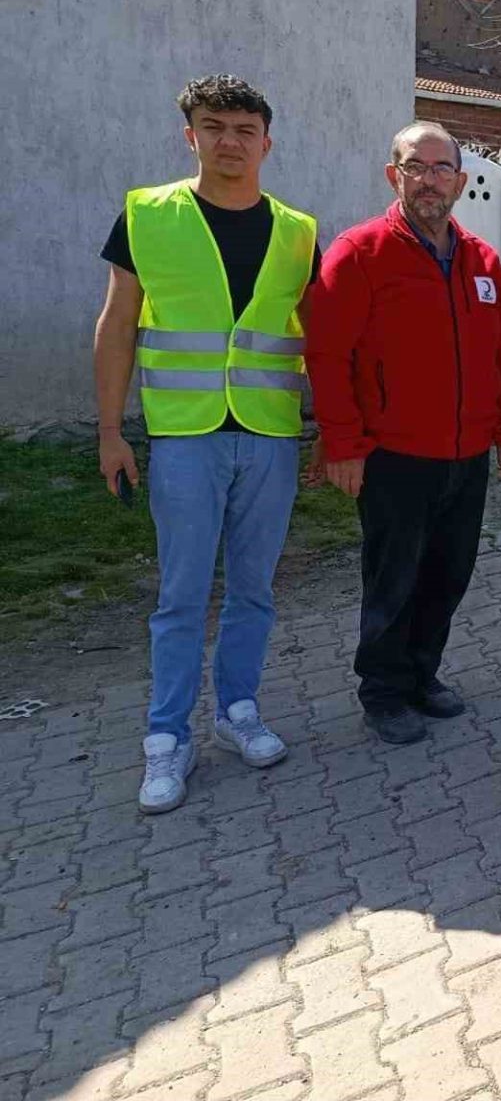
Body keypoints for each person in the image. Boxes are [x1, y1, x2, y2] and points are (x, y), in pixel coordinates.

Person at [94, 75, 318, 814]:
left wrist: (331, 430)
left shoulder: (297, 231)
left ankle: (237, 711)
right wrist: (110, 432)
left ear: (266, 143)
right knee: (182, 594)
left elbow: (315, 335)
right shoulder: (148, 216)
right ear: (191, 136)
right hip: (185, 435)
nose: (230, 141)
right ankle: (166, 737)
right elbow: (117, 325)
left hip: (268, 435)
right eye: (214, 127)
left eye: (244, 130)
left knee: (254, 588)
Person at [306, 122, 501, 745]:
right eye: (415, 167)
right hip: (394, 456)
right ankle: (383, 691)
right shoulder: (359, 252)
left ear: (459, 181)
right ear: (393, 175)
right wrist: (343, 444)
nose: (429, 180)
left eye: (440, 169)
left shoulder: (483, 261)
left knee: (448, 574)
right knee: (394, 579)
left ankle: (422, 675)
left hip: (467, 454)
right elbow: (327, 356)